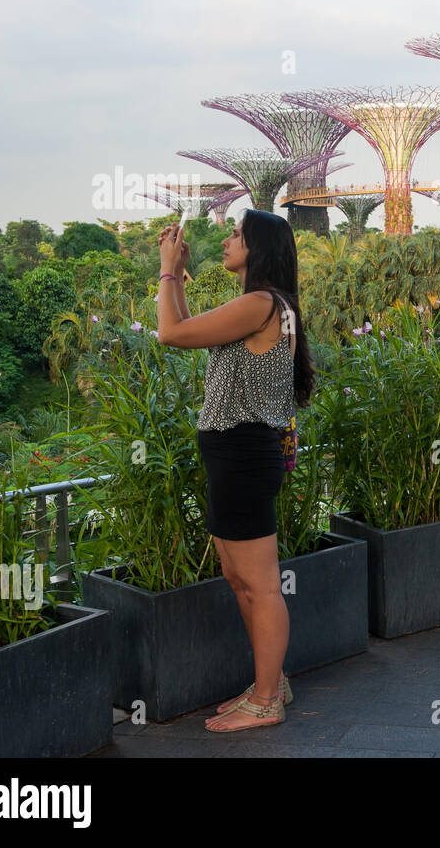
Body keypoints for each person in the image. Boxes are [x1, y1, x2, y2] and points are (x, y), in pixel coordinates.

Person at [156, 209, 316, 733]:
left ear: (259, 249)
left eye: (236, 235)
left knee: (261, 584)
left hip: (244, 453)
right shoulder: (267, 304)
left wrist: (164, 270)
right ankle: (270, 683)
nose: (226, 241)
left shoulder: (260, 303)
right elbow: (185, 330)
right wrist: (177, 274)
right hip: (236, 454)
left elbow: (169, 333)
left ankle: (268, 699)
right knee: (237, 576)